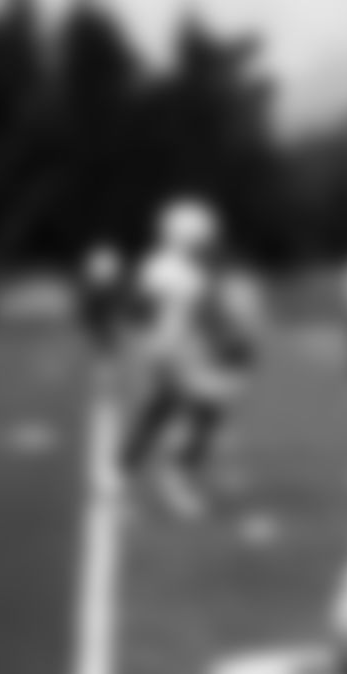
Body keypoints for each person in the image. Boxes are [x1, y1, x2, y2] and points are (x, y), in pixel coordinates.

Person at [120, 197, 259, 519]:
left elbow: (195, 314)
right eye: (204, 237)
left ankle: (134, 474)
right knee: (204, 406)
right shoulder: (169, 270)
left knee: (166, 411)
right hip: (169, 353)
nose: (209, 244)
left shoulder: (176, 267)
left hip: (176, 351)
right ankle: (171, 474)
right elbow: (143, 312)